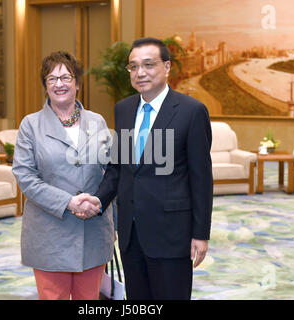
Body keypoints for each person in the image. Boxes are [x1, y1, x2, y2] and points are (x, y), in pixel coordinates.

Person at [79, 37, 213, 300]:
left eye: (149, 65)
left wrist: (200, 233)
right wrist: (98, 199)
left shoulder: (192, 111)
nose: (140, 72)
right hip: (131, 233)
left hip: (172, 233)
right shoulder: (124, 109)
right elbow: (119, 168)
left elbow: (201, 179)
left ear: (167, 67)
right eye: (133, 66)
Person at [12, 51, 115, 300]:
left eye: (66, 77)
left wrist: (99, 203)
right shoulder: (31, 125)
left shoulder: (97, 122)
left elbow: (112, 171)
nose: (59, 84)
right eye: (52, 79)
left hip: (94, 230)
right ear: (45, 86)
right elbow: (25, 176)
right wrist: (68, 202)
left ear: (78, 83)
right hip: (50, 235)